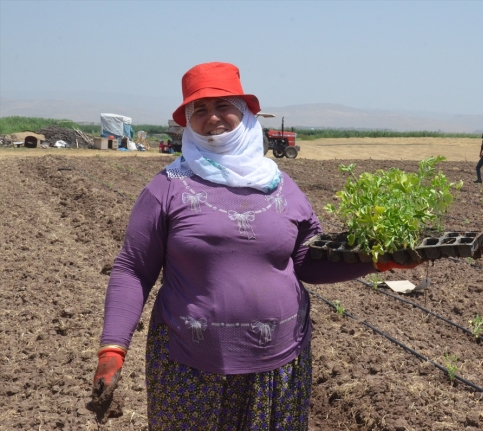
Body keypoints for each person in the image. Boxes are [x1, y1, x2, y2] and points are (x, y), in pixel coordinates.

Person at [90, 61, 419, 430]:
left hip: (279, 366)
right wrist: (113, 348)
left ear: (245, 113)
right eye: (198, 109)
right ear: (187, 121)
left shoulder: (282, 186)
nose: (211, 116)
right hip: (191, 368)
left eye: (223, 105)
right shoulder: (167, 187)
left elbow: (307, 261)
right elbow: (133, 268)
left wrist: (377, 262)